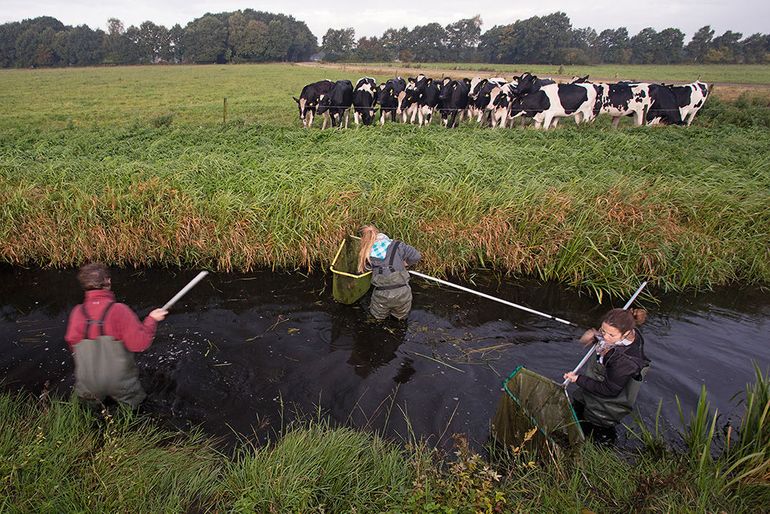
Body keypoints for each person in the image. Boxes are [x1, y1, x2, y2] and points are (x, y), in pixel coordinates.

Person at [64, 263, 167, 409]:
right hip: (121, 383)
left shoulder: (77, 312)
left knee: (88, 413)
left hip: (89, 384)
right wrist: (151, 320)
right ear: (108, 281)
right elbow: (140, 344)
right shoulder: (119, 310)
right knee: (134, 411)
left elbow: (72, 345)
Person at [563, 308, 650, 440]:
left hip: (608, 399)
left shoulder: (625, 362)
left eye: (611, 335)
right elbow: (607, 335)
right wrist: (595, 335)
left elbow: (609, 390)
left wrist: (578, 379)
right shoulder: (624, 331)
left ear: (626, 333)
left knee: (597, 428)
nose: (605, 337)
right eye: (603, 331)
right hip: (599, 382)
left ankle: (600, 443)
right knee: (579, 407)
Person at [357, 225, 421, 321]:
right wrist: (405, 263)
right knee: (401, 318)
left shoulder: (367, 253)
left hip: (382, 295)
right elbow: (416, 256)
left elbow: (366, 269)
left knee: (377, 318)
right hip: (403, 293)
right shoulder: (398, 245)